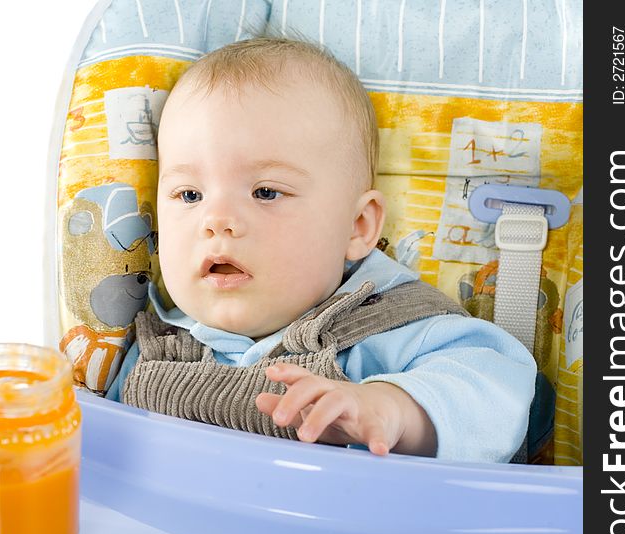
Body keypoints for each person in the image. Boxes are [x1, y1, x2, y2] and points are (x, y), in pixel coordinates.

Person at [106, 37, 536, 463]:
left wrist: (394, 410)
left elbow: (502, 390)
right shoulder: (148, 350)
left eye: (266, 192)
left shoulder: (393, 329)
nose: (216, 219)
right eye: (189, 195)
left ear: (357, 226)